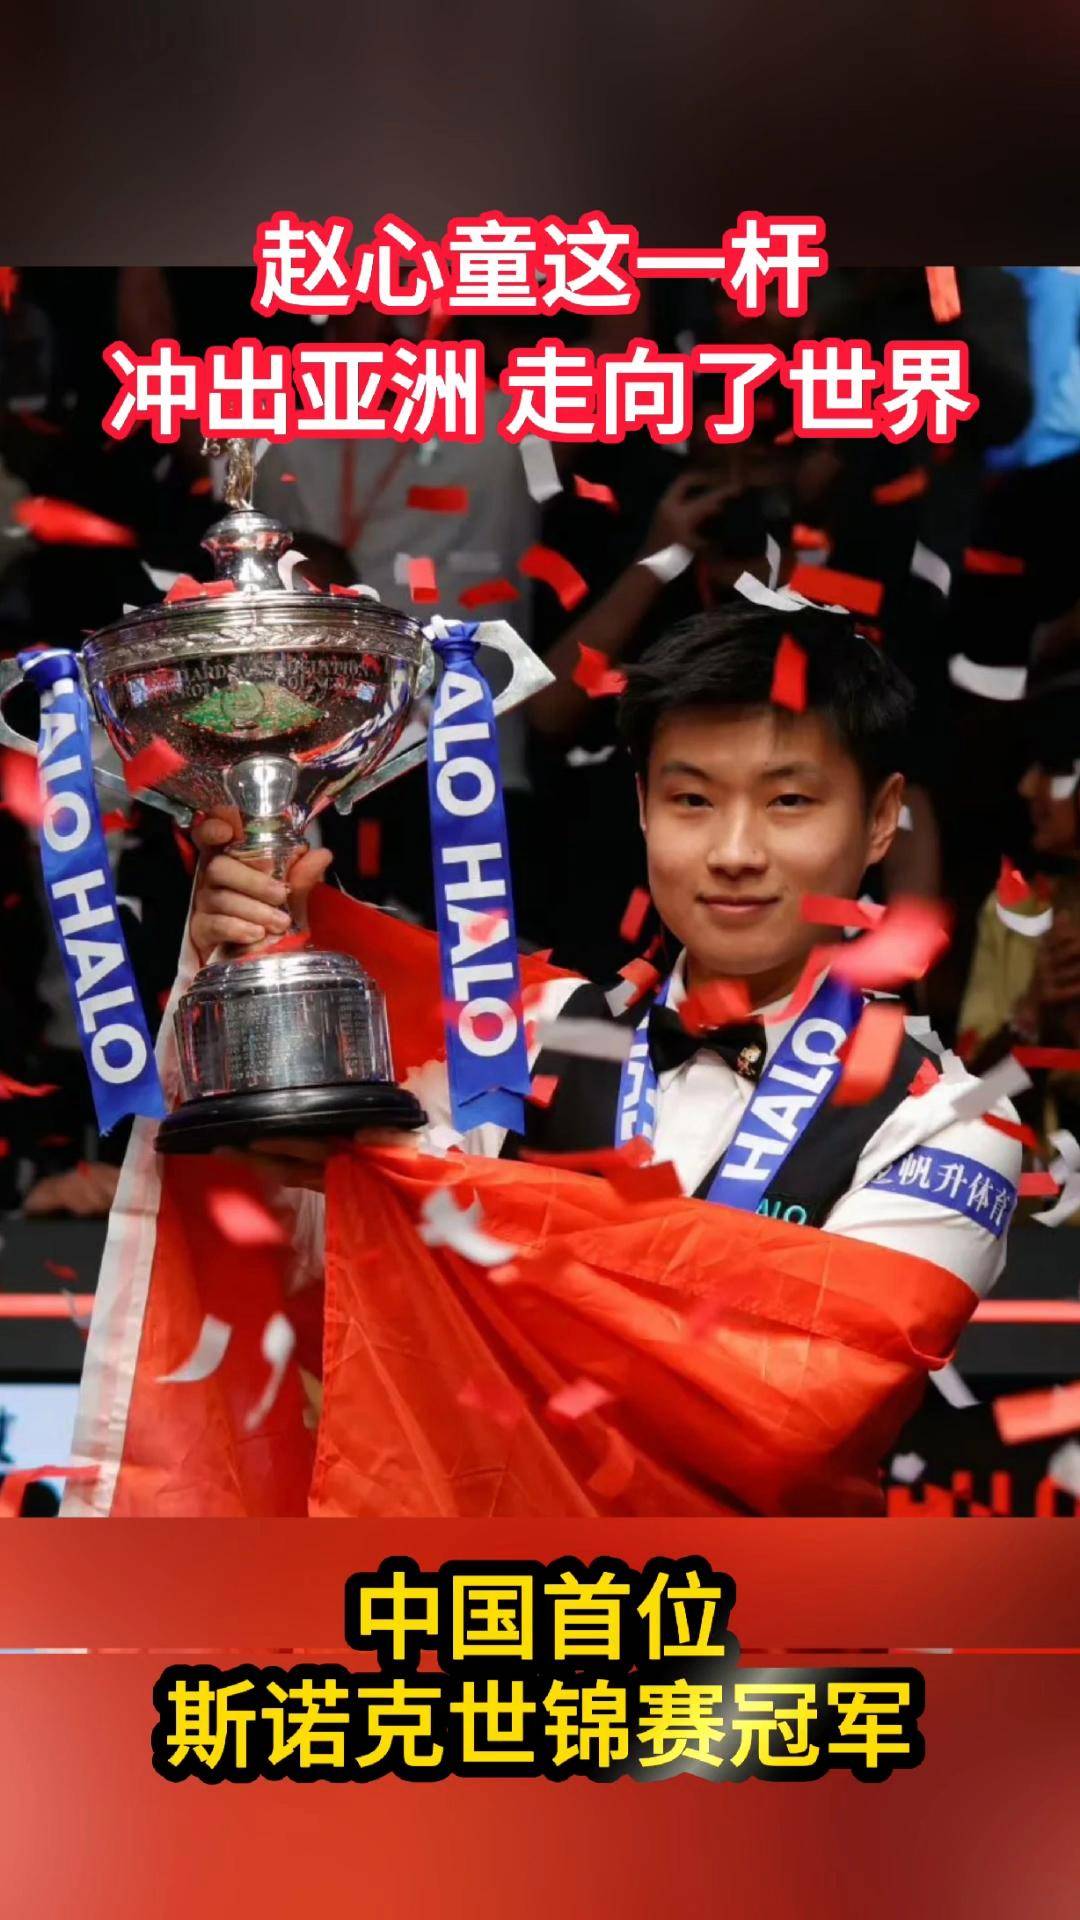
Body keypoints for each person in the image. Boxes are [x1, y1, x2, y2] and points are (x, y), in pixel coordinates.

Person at [191, 596, 1021, 1298]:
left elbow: (801, 1387)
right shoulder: (513, 1040)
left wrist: (437, 1190)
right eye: (693, 799)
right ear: (643, 806)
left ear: (881, 820)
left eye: (789, 801)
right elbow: (306, 1259)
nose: (735, 851)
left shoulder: (944, 1121)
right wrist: (250, 961)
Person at [958, 651, 1080, 1137]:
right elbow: (971, 1105)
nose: (1028, 787)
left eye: (1050, 766)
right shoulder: (1013, 910)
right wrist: (1034, 1019)